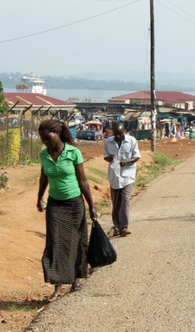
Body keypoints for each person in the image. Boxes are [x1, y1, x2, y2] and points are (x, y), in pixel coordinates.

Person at [36, 119, 97, 302]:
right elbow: (43, 178)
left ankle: (77, 278)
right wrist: (40, 197)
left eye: (48, 138)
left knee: (77, 240)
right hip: (55, 203)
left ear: (58, 134)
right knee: (54, 242)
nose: (46, 142)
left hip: (74, 203)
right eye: (43, 139)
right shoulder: (44, 155)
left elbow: (83, 181)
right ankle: (58, 286)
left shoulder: (73, 153)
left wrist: (91, 206)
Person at [103, 122, 140, 237]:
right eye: (115, 134)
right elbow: (105, 157)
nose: (117, 136)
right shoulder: (108, 142)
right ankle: (116, 226)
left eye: (119, 134)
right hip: (114, 176)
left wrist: (126, 161)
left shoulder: (132, 141)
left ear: (124, 131)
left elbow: (136, 156)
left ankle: (124, 227)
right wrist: (109, 159)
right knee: (116, 202)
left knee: (125, 199)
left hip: (127, 175)